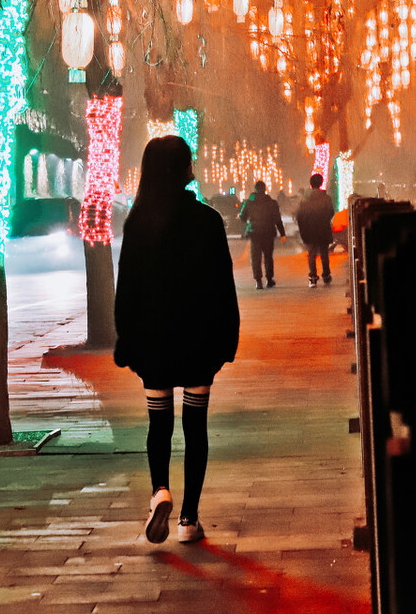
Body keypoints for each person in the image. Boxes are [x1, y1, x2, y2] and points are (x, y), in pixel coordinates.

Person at [113, 136, 240, 546]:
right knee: (195, 426)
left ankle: (159, 491)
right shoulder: (207, 220)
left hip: (153, 343)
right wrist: (227, 339)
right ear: (182, 168)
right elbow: (224, 287)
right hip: (199, 340)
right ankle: (188, 519)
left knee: (158, 423)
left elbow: (126, 290)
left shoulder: (138, 222)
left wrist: (127, 341)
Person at [238, 179, 285, 289]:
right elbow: (278, 219)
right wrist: (282, 233)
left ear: (255, 189)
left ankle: (258, 281)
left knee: (256, 257)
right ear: (265, 189)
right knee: (268, 256)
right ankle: (269, 279)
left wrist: (249, 220)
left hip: (254, 232)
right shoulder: (272, 203)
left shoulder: (249, 202)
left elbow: (242, 217)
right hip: (269, 232)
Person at [296, 173, 335, 287]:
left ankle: (313, 277)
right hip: (323, 229)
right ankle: (326, 275)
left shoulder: (304, 200)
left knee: (312, 254)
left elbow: (300, 216)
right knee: (324, 253)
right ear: (321, 183)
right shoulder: (326, 198)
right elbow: (331, 212)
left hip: (309, 230)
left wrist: (303, 228)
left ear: (311, 184)